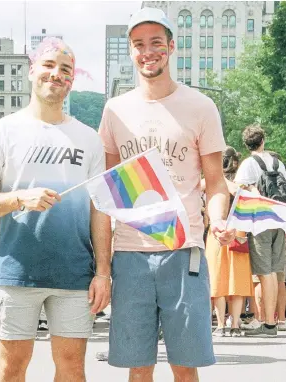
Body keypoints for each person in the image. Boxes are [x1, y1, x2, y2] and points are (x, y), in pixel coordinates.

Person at [98, 8, 235, 382]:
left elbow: (216, 182)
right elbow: (108, 189)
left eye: (156, 42)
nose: (148, 51)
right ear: (131, 51)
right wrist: (103, 267)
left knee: (185, 366)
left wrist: (219, 219)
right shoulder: (115, 111)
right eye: (139, 44)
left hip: (183, 249)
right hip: (130, 253)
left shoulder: (201, 106)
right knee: (138, 367)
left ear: (171, 47)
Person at [0, 37, 111, 382]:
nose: (55, 74)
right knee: (11, 368)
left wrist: (103, 272)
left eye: (65, 69)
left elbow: (100, 210)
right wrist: (19, 198)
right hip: (16, 271)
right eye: (48, 65)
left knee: (72, 368)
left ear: (72, 80)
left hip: (75, 274)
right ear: (32, 71)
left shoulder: (88, 138)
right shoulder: (1, 132)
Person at [234, 124, 286, 337]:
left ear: (247, 145)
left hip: (260, 221)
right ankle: (271, 321)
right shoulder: (278, 162)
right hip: (280, 218)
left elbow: (239, 189)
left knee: (264, 272)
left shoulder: (248, 164)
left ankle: (268, 322)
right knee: (274, 270)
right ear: (263, 140)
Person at [205, 147, 254, 337]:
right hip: (237, 231)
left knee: (218, 278)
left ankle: (220, 326)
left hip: (216, 232)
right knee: (237, 279)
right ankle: (235, 325)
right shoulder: (240, 184)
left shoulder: (209, 182)